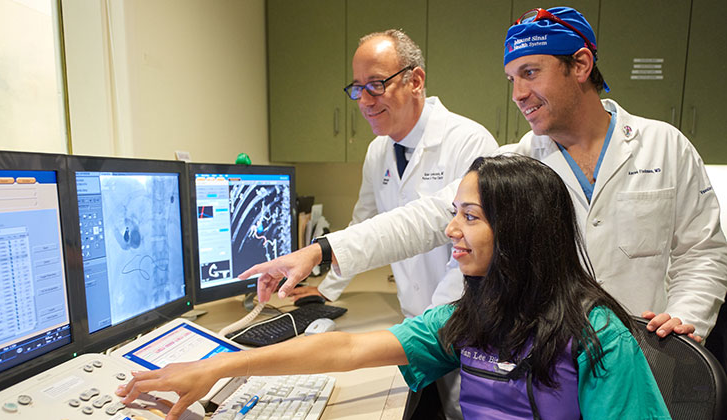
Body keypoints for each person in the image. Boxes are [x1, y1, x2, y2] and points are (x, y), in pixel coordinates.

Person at [246, 6, 727, 341]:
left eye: (531, 73)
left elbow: (702, 250)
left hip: (647, 349)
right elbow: (430, 217)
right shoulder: (517, 162)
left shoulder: (666, 145)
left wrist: (686, 321)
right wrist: (322, 249)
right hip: (553, 359)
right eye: (512, 78)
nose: (517, 93)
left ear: (580, 64)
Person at [116, 155, 671, 420]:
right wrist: (220, 366)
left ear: (520, 234)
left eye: (470, 217)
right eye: (454, 212)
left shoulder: (597, 337)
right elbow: (348, 345)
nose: (451, 229)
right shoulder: (473, 315)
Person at [299, 29, 497, 419]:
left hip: (464, 320)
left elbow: (471, 252)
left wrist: (430, 324)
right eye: (357, 89)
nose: (365, 101)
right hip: (414, 319)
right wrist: (328, 289)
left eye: (376, 85)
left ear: (415, 80)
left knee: (465, 412)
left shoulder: (470, 142)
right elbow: (365, 223)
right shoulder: (378, 150)